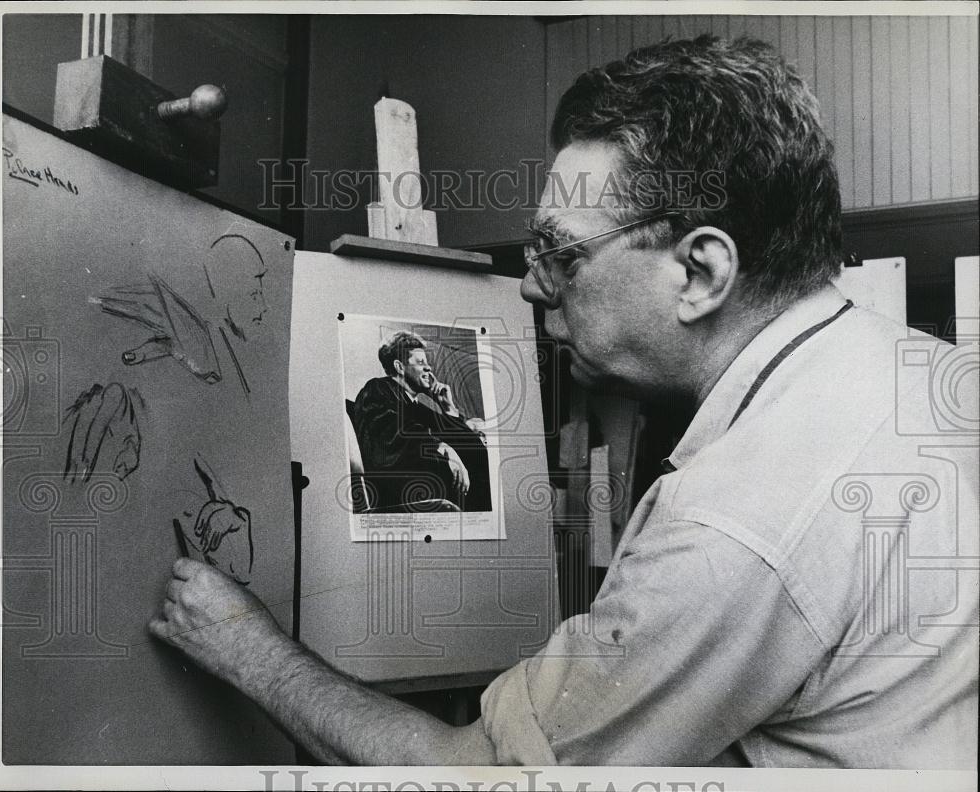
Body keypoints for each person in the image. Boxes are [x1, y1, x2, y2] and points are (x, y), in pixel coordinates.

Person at [149, 36, 977, 767]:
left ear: (701, 272)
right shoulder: (926, 377)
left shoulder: (733, 525)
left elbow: (474, 774)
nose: (532, 287)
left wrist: (246, 649)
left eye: (562, 254)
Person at [347, 330, 491, 512]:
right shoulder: (378, 388)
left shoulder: (417, 406)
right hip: (400, 490)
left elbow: (472, 447)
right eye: (421, 362)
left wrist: (448, 408)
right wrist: (442, 447)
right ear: (400, 367)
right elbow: (392, 432)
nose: (429, 368)